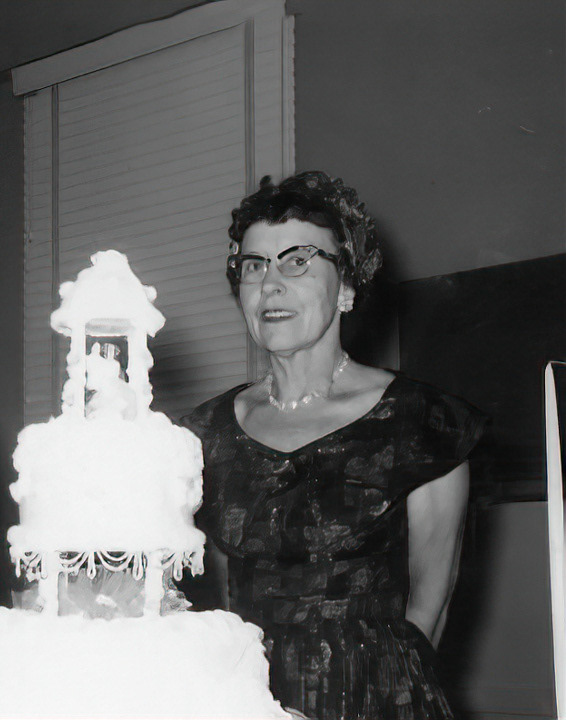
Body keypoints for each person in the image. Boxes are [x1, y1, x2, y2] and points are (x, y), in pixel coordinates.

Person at [182, 171, 485, 720]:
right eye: (254, 266)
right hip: (247, 699)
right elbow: (212, 607)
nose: (270, 284)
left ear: (345, 286)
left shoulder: (421, 423)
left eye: (297, 260)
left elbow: (428, 608)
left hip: (379, 698)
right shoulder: (202, 435)